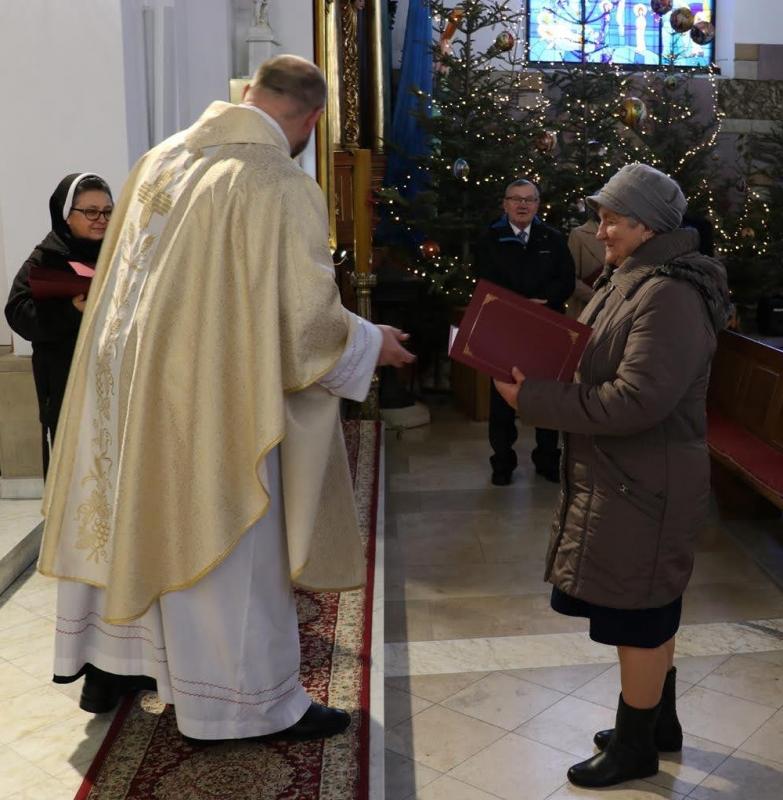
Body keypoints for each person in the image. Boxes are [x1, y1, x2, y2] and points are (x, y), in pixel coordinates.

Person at [37, 55, 414, 742]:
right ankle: (241, 706)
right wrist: (370, 343)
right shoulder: (276, 181)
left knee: (135, 518)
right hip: (210, 396)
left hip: (126, 389)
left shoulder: (158, 161)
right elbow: (305, 324)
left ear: (248, 94)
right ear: (313, 118)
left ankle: (120, 663)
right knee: (227, 547)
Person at [494, 163, 731, 788]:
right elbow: (594, 356)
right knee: (650, 607)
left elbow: (637, 401)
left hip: (646, 482)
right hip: (629, 477)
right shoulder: (632, 278)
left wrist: (534, 400)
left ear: (648, 226)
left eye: (611, 220)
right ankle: (657, 723)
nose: (599, 232)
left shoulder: (668, 294)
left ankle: (635, 748)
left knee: (642, 618)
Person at [5, 174, 113, 476]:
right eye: (90, 211)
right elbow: (17, 312)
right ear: (66, 215)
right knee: (75, 471)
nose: (101, 220)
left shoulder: (121, 253)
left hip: (115, 379)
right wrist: (70, 310)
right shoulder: (46, 258)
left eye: (107, 211)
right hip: (66, 380)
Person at [475, 179, 575, 485]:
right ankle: (502, 463)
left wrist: (544, 300)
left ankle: (547, 459)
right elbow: (483, 280)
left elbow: (566, 280)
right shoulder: (490, 238)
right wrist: (518, 306)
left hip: (546, 326)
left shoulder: (552, 238)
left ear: (537, 205)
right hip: (505, 328)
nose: (522, 205)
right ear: (505, 204)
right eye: (516, 199)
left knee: (546, 395)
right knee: (502, 400)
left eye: (529, 199)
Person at [566, 216, 605, 318]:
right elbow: (569, 279)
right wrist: (598, 299)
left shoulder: (626, 236)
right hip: (583, 311)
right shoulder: (578, 234)